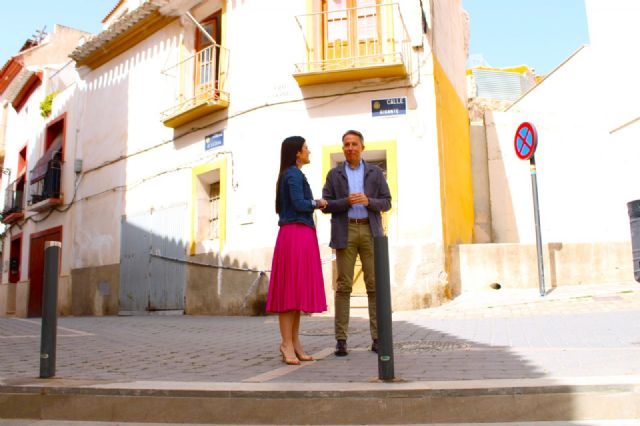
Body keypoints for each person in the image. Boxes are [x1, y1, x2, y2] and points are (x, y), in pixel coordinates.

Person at [322, 130, 391, 356]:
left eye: (354, 144)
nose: (350, 148)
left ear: (362, 147)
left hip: (371, 230)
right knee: (343, 286)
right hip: (346, 230)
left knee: (374, 285)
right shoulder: (334, 174)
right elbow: (326, 205)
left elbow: (387, 202)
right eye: (346, 145)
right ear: (343, 149)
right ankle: (341, 340)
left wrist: (369, 201)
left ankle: (378, 338)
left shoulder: (375, 172)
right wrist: (345, 201)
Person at [267, 136, 328, 365]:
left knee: (295, 292)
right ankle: (286, 344)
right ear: (297, 153)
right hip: (295, 233)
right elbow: (299, 203)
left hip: (299, 233)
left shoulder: (294, 173)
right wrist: (317, 202)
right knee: (289, 292)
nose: (309, 151)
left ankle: (294, 342)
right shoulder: (292, 174)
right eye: (305, 148)